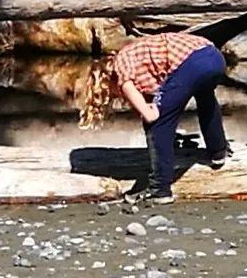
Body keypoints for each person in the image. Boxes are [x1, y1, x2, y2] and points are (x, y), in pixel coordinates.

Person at [91, 32, 229, 205]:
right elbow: (161, 98)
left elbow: (147, 111)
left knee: (157, 124)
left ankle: (160, 189)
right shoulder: (140, 61)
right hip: (214, 57)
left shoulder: (120, 62)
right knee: (205, 98)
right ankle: (218, 152)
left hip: (192, 62)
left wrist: (152, 116)